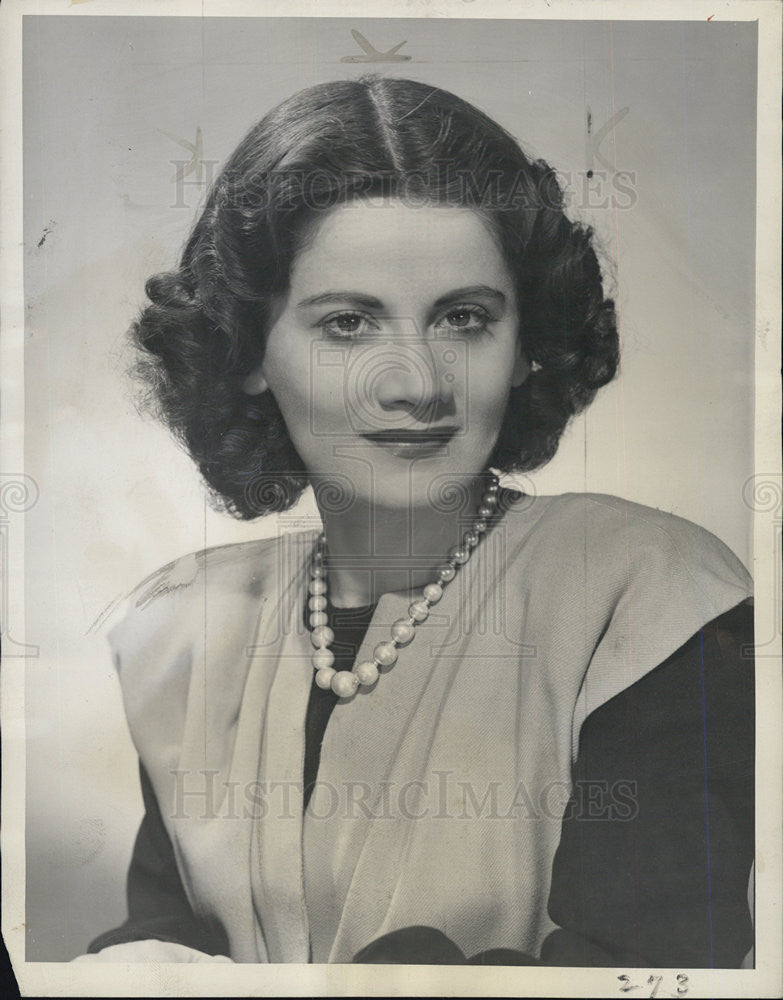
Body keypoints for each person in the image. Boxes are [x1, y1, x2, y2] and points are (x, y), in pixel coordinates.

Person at [76, 75, 754, 967]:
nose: (416, 383)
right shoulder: (191, 629)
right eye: (349, 323)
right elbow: (162, 942)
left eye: (464, 319)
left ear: (524, 346)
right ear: (246, 350)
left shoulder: (646, 597)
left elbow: (645, 974)